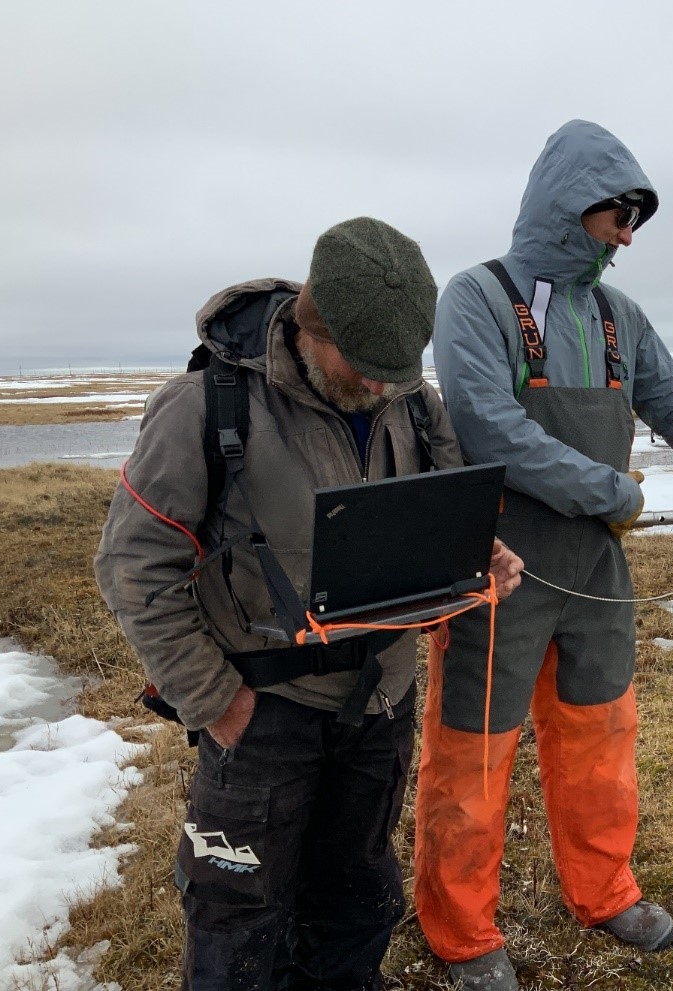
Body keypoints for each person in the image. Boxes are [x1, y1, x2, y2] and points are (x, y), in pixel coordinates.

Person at [419, 120, 673, 990]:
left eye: (635, 217)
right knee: (473, 752)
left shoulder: (621, 319)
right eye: (618, 214)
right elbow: (488, 429)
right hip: (495, 565)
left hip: (598, 573)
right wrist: (612, 492)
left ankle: (605, 890)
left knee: (601, 741)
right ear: (571, 206)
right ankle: (462, 930)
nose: (628, 235)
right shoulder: (477, 299)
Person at [94, 217, 523, 991]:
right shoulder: (204, 407)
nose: (381, 387)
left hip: (380, 708)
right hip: (261, 712)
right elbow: (132, 566)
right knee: (238, 919)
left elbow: (444, 527)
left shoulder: (417, 406)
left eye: (399, 369)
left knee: (357, 902)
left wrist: (479, 559)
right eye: (363, 366)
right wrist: (214, 699)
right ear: (308, 324)